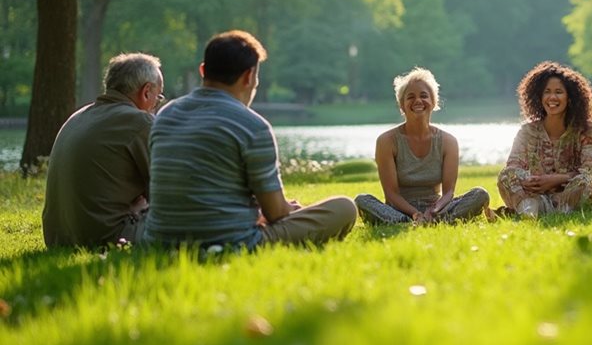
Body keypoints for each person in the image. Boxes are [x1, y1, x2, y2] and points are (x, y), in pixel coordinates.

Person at [142, 30, 357, 248]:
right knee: (344, 208)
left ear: (203, 70)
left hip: (160, 241)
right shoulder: (252, 125)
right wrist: (289, 210)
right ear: (249, 77)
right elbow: (276, 213)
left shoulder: (166, 115)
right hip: (229, 242)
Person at [42, 53, 164, 248]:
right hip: (109, 238)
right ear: (146, 92)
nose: (155, 108)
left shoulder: (76, 118)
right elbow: (168, 194)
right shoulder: (139, 122)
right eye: (157, 99)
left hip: (59, 240)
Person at [355, 67, 490, 224]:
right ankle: (409, 221)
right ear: (402, 105)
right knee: (362, 200)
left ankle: (434, 220)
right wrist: (415, 214)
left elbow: (448, 193)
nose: (418, 101)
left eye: (424, 96)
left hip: (436, 209)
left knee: (480, 194)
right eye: (410, 97)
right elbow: (391, 194)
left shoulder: (448, 141)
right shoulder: (386, 141)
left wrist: (433, 211)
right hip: (399, 210)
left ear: (433, 102)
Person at [497, 61, 592, 218]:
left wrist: (556, 179)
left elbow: (590, 169)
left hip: (570, 194)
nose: (552, 97)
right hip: (537, 195)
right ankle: (531, 210)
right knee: (505, 176)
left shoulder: (586, 129)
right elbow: (513, 166)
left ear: (570, 98)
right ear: (539, 97)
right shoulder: (526, 131)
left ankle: (559, 210)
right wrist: (529, 180)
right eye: (547, 92)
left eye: (558, 92)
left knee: (582, 182)